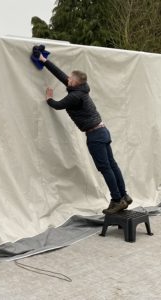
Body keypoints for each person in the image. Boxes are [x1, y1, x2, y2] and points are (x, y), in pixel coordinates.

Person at [34, 47, 132, 214]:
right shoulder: (80, 88)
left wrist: (49, 98)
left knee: (105, 168)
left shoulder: (75, 96)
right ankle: (124, 196)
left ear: (75, 82)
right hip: (102, 131)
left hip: (95, 135)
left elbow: (58, 105)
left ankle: (117, 200)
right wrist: (44, 61)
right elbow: (60, 74)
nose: (68, 79)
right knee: (112, 165)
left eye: (70, 78)